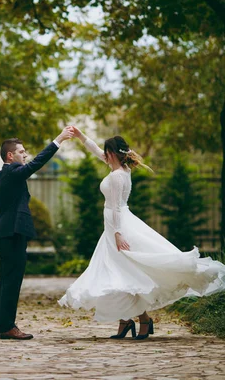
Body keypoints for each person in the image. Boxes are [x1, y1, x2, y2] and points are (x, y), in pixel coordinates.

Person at [59, 128, 225, 340]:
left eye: (106, 152)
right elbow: (95, 151)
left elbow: (118, 207)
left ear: (113, 154)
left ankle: (140, 320)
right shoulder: (120, 168)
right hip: (112, 228)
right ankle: (127, 320)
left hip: (119, 227)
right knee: (119, 274)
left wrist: (118, 233)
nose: (104, 155)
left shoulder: (119, 175)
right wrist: (82, 137)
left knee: (126, 273)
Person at [0, 126, 74, 340]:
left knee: (6, 280)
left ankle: (2, 325)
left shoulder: (2, 175)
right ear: (10, 155)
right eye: (21, 151)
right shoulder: (12, 172)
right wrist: (58, 140)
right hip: (12, 233)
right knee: (12, 281)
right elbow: (37, 163)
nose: (25, 154)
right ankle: (7, 326)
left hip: (5, 233)